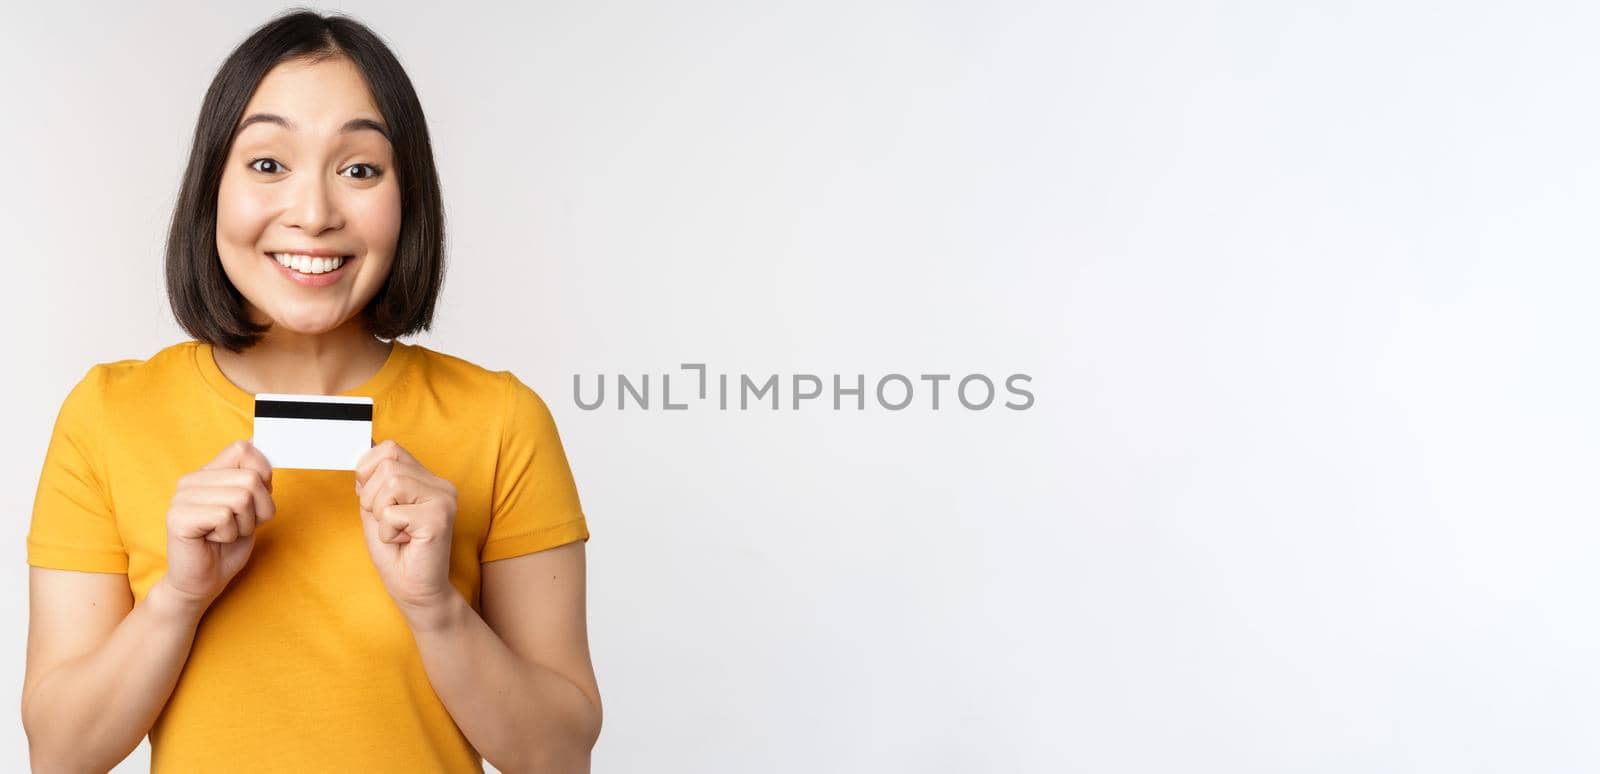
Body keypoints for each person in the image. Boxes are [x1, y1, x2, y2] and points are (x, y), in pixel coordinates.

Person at [21, 10, 601, 772]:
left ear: (408, 197)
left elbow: (559, 757)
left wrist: (436, 610)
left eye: (360, 169)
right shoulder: (106, 415)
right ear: (211, 188)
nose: (315, 213)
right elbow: (60, 755)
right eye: (268, 164)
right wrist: (178, 599)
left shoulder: (500, 420)